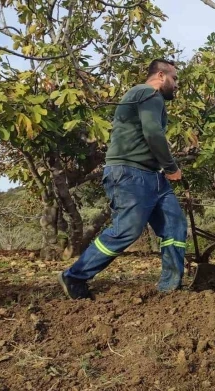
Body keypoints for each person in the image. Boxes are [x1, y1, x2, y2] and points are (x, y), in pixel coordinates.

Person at [58, 58, 188, 300]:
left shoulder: (148, 97)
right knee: (126, 231)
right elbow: (152, 132)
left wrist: (163, 171)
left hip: (152, 176)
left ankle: (170, 288)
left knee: (175, 226)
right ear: (161, 76)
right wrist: (171, 167)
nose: (177, 84)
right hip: (131, 174)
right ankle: (75, 276)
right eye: (174, 78)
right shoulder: (148, 93)